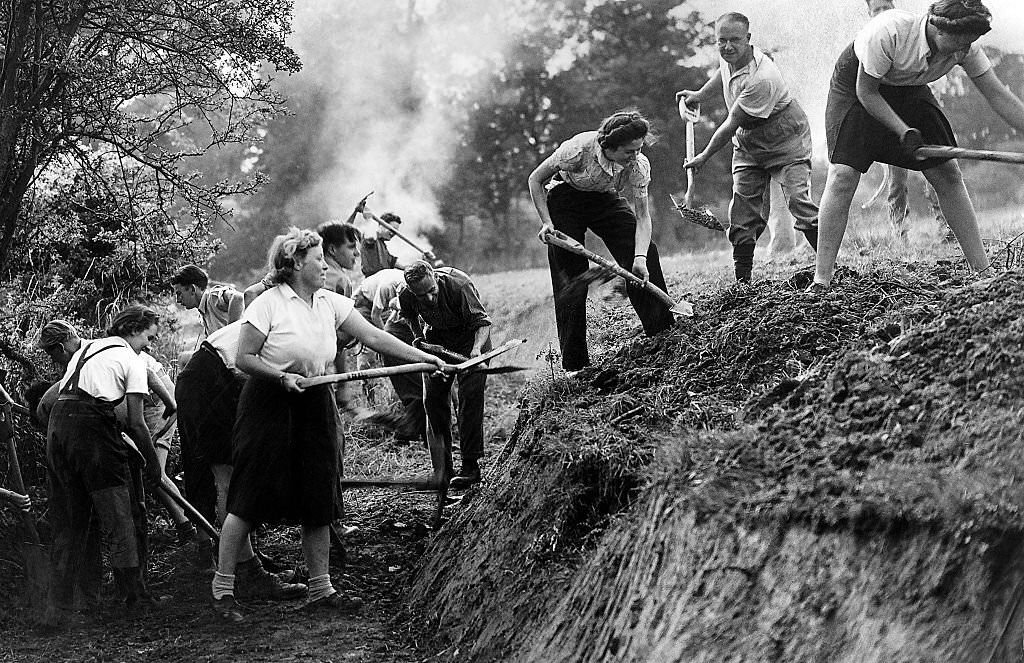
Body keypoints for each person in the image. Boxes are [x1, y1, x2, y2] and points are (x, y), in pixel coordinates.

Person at [211, 227, 446, 622]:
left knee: (319, 488)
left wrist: (425, 359)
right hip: (269, 400)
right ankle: (223, 590)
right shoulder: (267, 304)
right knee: (249, 492)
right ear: (296, 263)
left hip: (315, 398)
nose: (325, 265)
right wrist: (279, 376)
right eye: (319, 258)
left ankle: (321, 589)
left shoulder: (330, 302)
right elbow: (244, 359)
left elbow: (373, 336)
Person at [813, 0, 1024, 288]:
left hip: (908, 87)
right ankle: (821, 280)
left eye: (970, 44)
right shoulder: (888, 33)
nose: (965, 51)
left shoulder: (965, 46)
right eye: (960, 44)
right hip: (858, 88)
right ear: (937, 29)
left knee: (948, 172)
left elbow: (999, 96)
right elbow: (867, 93)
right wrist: (903, 131)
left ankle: (983, 272)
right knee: (843, 175)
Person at [527, 110, 675, 374]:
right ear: (610, 147)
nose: (636, 156)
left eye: (639, 149)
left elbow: (643, 217)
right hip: (565, 198)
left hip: (603, 198)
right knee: (571, 277)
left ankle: (662, 333)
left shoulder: (638, 165)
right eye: (630, 151)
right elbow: (535, 179)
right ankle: (575, 365)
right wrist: (547, 222)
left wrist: (638, 259)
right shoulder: (576, 150)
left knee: (644, 251)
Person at [45, 306, 168, 622]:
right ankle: (133, 597)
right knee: (118, 513)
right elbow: (138, 424)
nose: (150, 346)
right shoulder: (131, 359)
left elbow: (54, 402)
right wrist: (155, 468)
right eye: (149, 337)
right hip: (91, 432)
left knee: (72, 519)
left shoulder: (88, 349)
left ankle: (58, 608)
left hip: (58, 427)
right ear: (133, 329)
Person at [680, 12, 819, 283]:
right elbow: (722, 74)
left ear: (748, 39)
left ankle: (829, 268)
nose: (727, 47)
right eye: (721, 41)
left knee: (798, 201)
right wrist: (699, 95)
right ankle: (742, 285)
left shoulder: (762, 77)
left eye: (734, 40)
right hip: (749, 142)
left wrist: (704, 156)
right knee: (742, 212)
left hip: (785, 137)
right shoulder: (728, 55)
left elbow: (731, 123)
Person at [176, 319, 306, 597]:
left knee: (237, 474)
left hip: (212, 377)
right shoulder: (286, 327)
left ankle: (246, 559)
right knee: (229, 478)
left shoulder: (282, 318)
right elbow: (255, 375)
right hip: (209, 381)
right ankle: (248, 573)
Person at [36, 319, 196, 545]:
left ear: (61, 348)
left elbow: (148, 374)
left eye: (52, 356)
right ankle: (179, 526)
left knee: (150, 467)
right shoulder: (80, 359)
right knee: (139, 465)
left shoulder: (92, 353)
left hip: (154, 399)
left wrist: (171, 405)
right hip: (141, 396)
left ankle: (188, 528)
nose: (53, 362)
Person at [863, 0, 952, 241]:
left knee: (939, 170)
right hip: (889, 117)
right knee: (896, 181)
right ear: (869, 13)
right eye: (877, 10)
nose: (883, 13)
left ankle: (947, 225)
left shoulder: (908, 35)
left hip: (915, 108)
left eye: (886, 7)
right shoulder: (873, 41)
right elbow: (867, 91)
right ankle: (899, 232)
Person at [398, 261, 490, 488]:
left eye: (432, 291)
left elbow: (482, 323)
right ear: (412, 291)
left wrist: (476, 352)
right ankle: (442, 470)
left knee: (469, 397)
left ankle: (470, 466)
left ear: (436, 279)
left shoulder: (460, 285)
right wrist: (419, 338)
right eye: (422, 296)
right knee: (433, 401)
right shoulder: (406, 295)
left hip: (471, 340)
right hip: (436, 342)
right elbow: (410, 316)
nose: (428, 299)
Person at [353, 268, 426, 441]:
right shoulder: (387, 287)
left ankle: (413, 429)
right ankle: (372, 406)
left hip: (392, 315)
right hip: (364, 304)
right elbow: (375, 316)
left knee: (415, 382)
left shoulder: (414, 291)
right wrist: (384, 347)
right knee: (367, 360)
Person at [170, 265, 243, 336]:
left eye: (179, 294)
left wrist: (231, 333)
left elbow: (237, 298)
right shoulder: (204, 312)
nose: (178, 300)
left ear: (192, 289)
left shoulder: (212, 297)